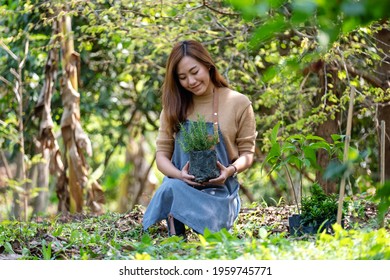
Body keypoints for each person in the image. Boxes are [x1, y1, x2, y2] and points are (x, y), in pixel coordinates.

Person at [142, 40, 257, 237]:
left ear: (208, 65)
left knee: (213, 226)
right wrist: (180, 176)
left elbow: (247, 154)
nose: (191, 81)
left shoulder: (238, 103)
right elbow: (161, 156)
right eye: (183, 77)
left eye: (195, 72)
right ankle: (175, 223)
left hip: (219, 196)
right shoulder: (173, 108)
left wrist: (229, 171)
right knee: (170, 186)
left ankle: (199, 220)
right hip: (181, 189)